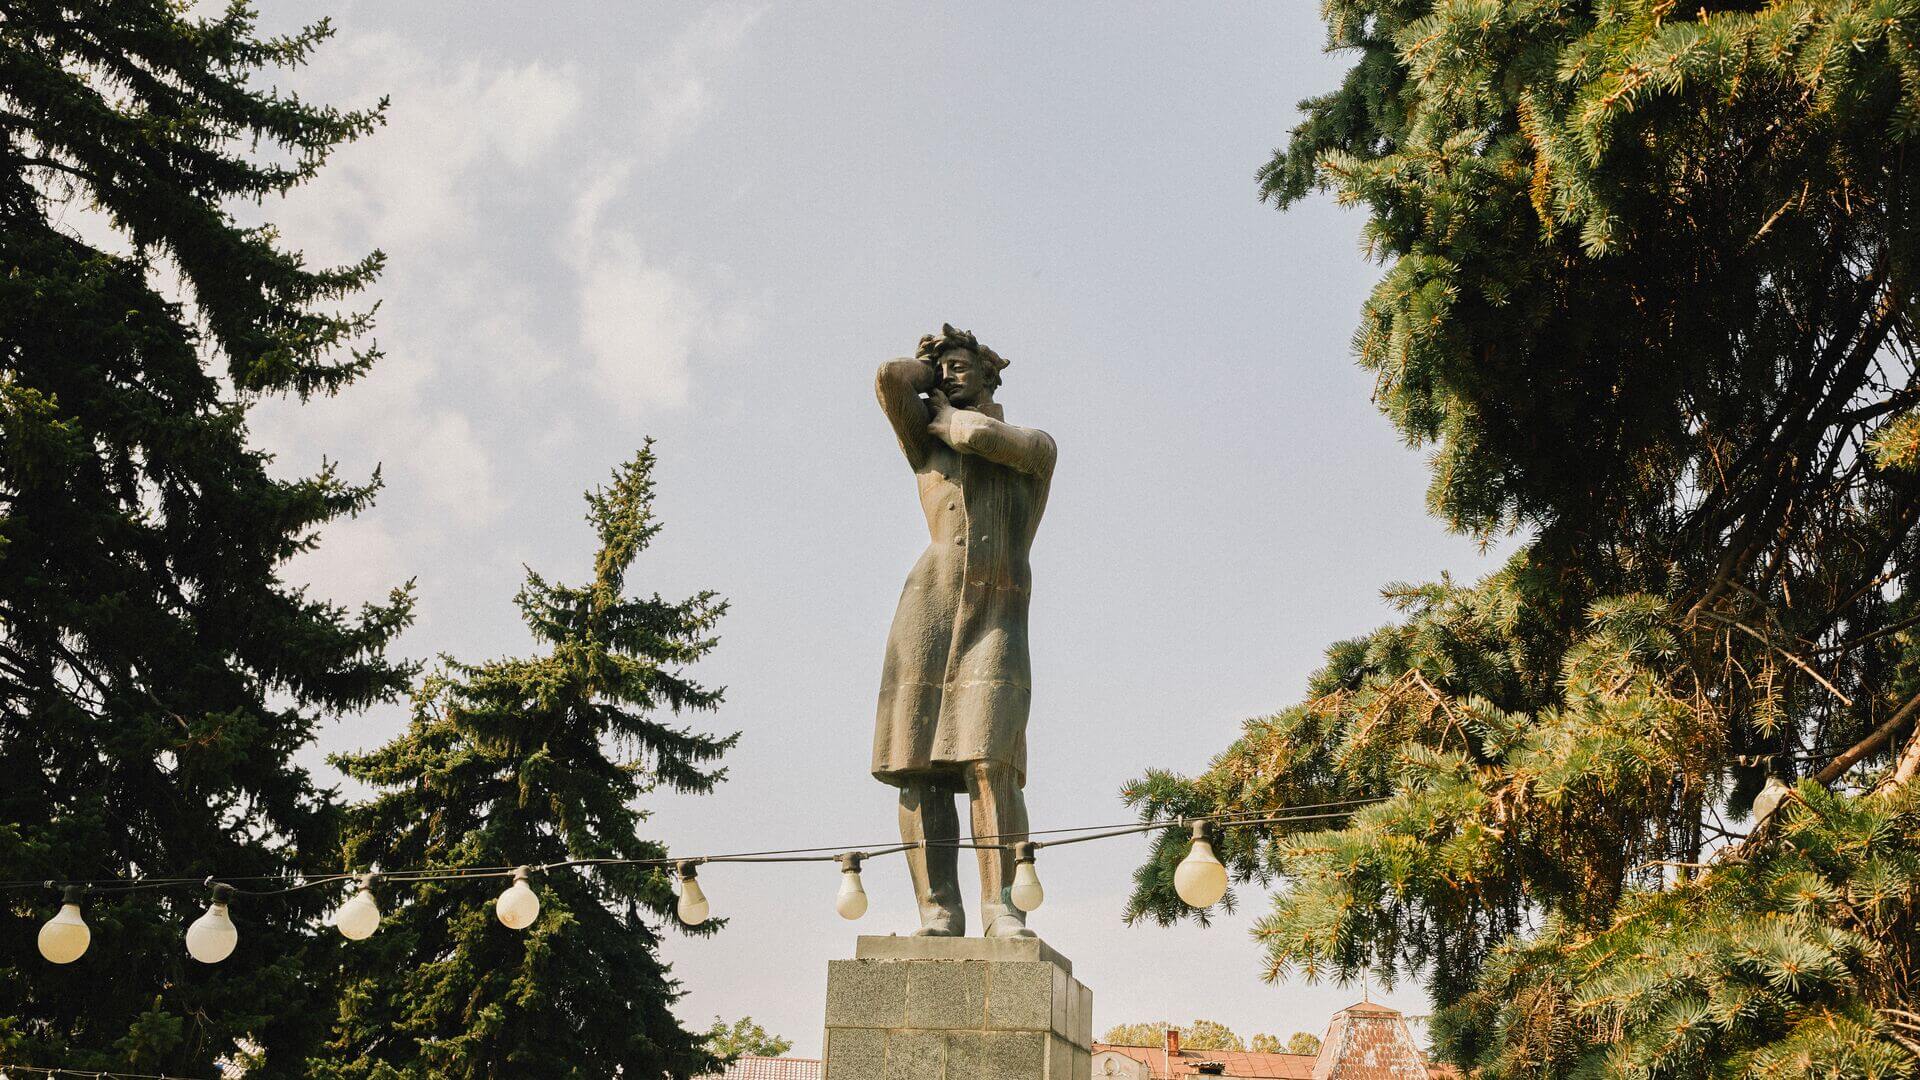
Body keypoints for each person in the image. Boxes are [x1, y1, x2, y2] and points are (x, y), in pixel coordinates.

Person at [871, 324, 1056, 938]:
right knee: (917, 764)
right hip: (928, 607)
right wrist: (926, 372)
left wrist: (947, 414)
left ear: (991, 374)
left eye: (962, 364)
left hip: (997, 613)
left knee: (988, 758)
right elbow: (888, 380)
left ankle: (1002, 905)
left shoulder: (1031, 445)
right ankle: (937, 907)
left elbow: (977, 435)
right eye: (943, 366)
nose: (950, 373)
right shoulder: (925, 448)